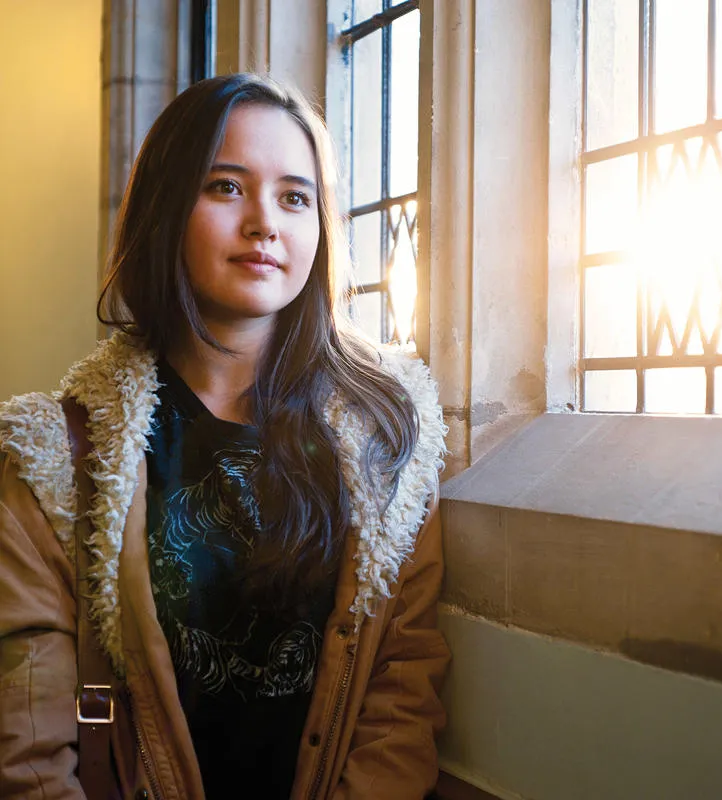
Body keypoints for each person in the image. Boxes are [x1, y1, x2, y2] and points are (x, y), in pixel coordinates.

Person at [0, 73, 449, 799]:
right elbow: (26, 747)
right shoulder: (52, 460)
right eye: (226, 187)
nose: (265, 222)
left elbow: (403, 695)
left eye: (295, 197)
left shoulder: (389, 445)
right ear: (166, 206)